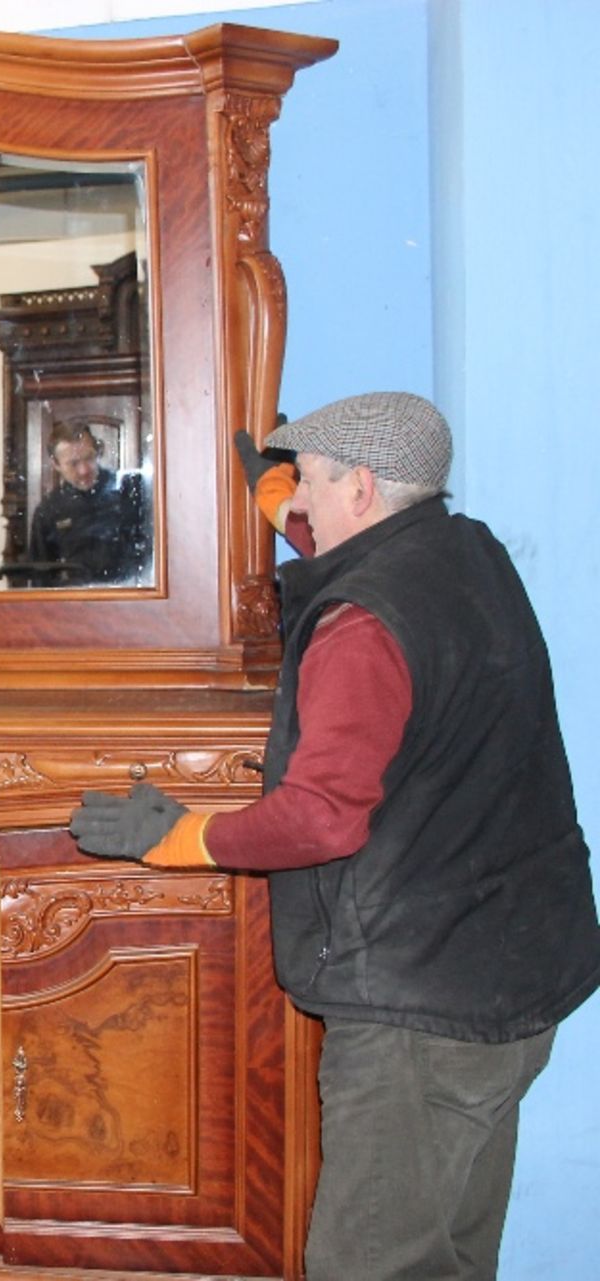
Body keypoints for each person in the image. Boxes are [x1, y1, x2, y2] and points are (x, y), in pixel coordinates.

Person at [68, 391, 600, 1280]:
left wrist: (178, 837)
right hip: (514, 973)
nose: (301, 501)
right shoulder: (466, 553)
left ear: (361, 486)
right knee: (453, 1251)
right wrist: (280, 500)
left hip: (421, 1011)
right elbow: (371, 564)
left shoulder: (362, 629)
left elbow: (322, 815)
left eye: (312, 483)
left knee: (373, 1262)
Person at [29, 421, 148, 585]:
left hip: (129, 595)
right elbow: (40, 578)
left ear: (98, 453)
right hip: (73, 603)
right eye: (73, 463)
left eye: (89, 458)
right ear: (56, 464)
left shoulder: (128, 491)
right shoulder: (48, 510)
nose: (84, 470)